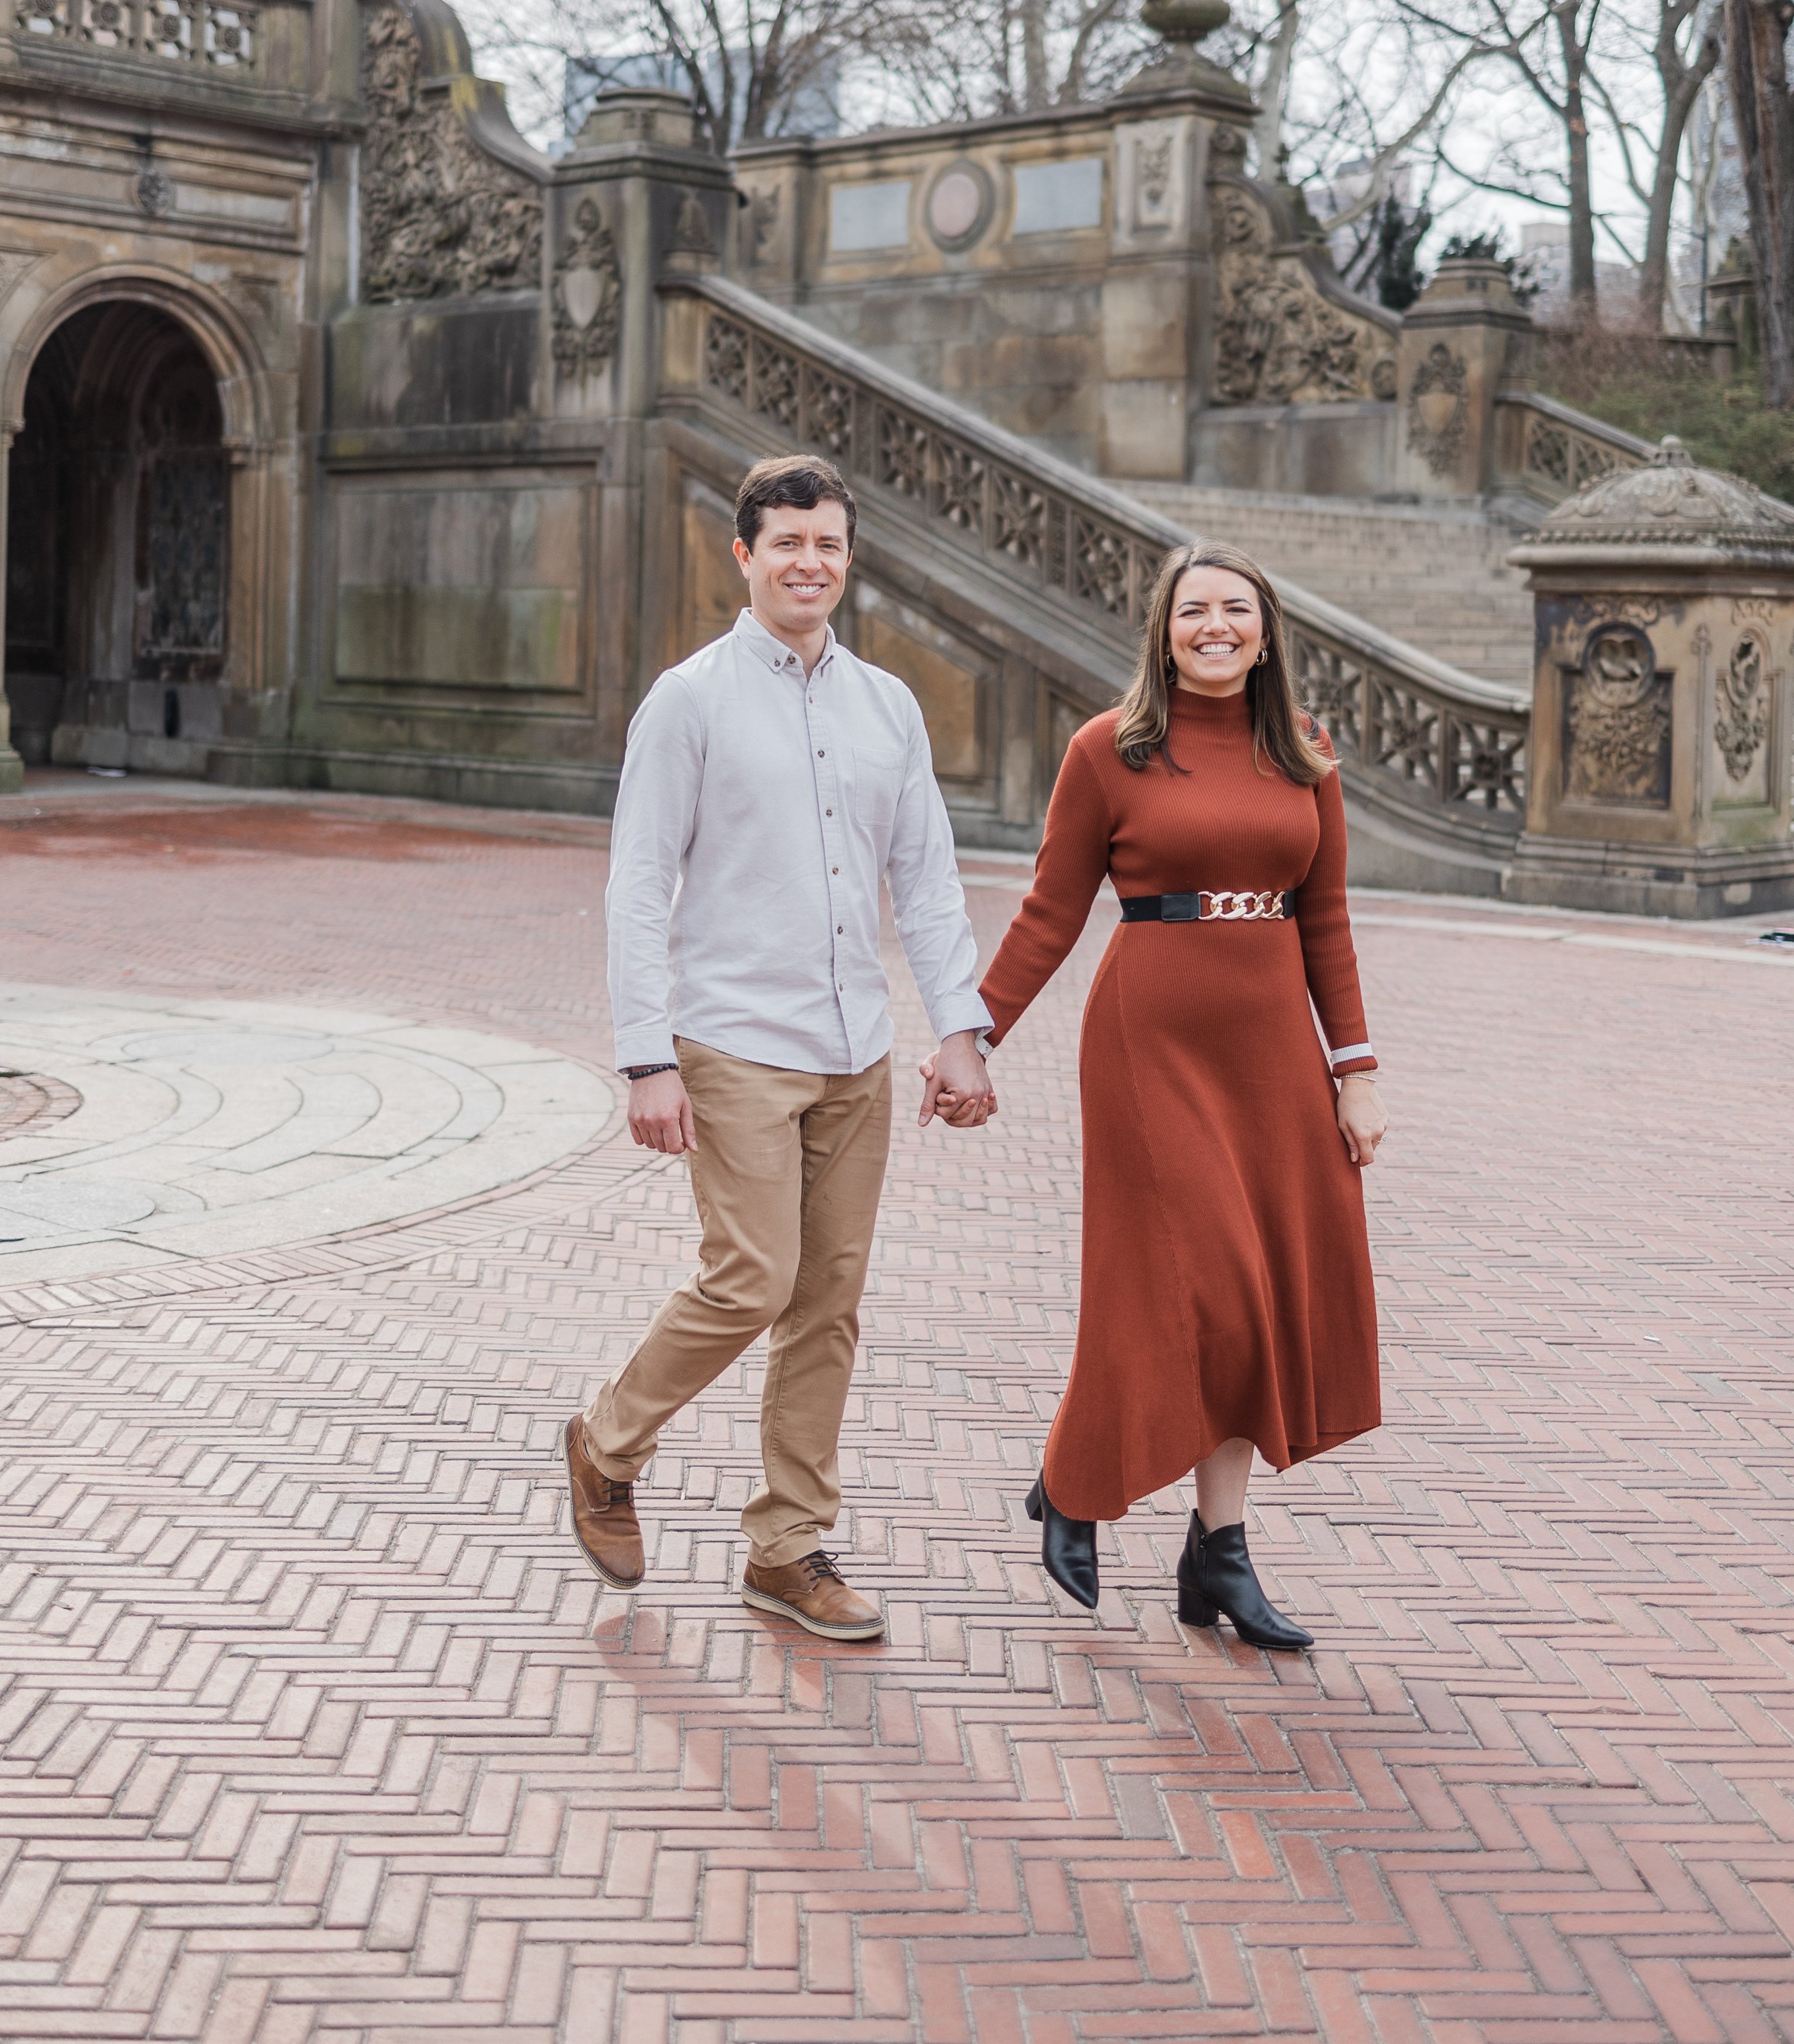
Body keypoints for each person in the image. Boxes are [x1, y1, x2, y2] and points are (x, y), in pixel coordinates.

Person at [562, 451, 996, 1642]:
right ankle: (606, 1440)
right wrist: (646, 1054)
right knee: (750, 1274)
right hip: (733, 1039)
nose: (811, 563)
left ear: (848, 560)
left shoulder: (886, 707)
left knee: (830, 1299)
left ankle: (787, 1544)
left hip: (854, 1046)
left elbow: (927, 880)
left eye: (830, 545)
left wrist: (960, 1029)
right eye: (789, 543)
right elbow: (638, 884)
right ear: (743, 555)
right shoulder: (689, 699)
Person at [971, 539, 1388, 1647]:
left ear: (1266, 630)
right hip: (1148, 1040)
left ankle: (1218, 1552)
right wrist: (975, 1033)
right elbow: (1051, 910)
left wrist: (1353, 1068)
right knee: (1187, 1285)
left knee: (1255, 1302)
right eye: (1192, 609)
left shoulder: (1304, 751)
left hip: (1271, 1051)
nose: (1215, 625)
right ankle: (1073, 1481)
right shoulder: (1109, 749)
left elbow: (1328, 919)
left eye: (1235, 609)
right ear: (1162, 630)